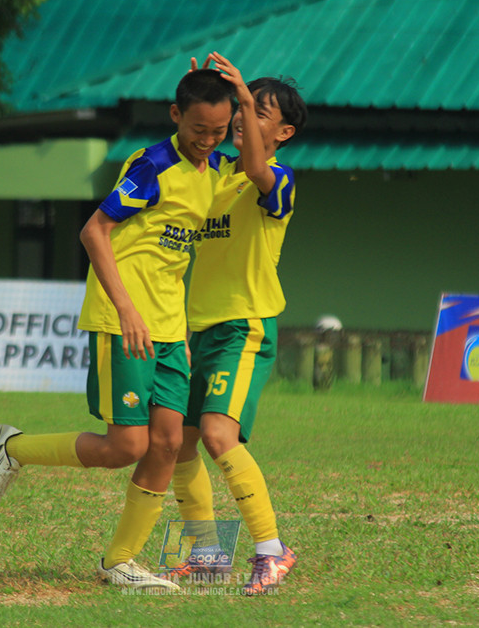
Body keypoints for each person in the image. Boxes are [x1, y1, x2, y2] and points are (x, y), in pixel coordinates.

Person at [0, 66, 236, 592]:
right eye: (198, 130)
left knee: (168, 443)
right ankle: (13, 448)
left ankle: (121, 560)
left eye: (219, 130)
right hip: (126, 321)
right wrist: (126, 309)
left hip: (168, 326)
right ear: (174, 117)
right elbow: (93, 230)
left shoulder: (214, 169)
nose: (208, 141)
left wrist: (244, 96)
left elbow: (258, 150)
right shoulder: (153, 165)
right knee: (127, 447)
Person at [163, 53, 307, 595]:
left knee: (219, 436)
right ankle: (205, 554)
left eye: (257, 111)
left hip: (242, 328)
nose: (244, 117)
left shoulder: (277, 181)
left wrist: (242, 95)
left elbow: (253, 167)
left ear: (284, 131)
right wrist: (200, 92)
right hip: (193, 329)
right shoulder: (216, 174)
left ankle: (272, 551)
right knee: (176, 440)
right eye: (242, 108)